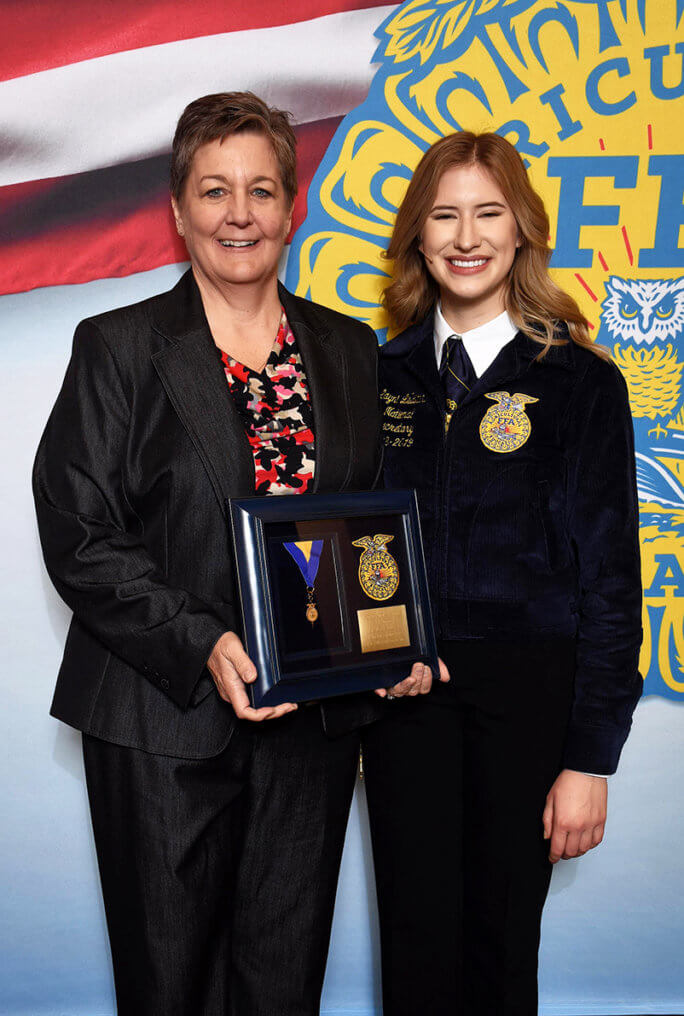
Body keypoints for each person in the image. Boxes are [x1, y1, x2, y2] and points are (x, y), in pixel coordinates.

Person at [32, 91, 436, 1016]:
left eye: (261, 190)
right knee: (169, 987)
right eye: (215, 191)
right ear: (178, 210)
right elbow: (78, 529)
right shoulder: (120, 347)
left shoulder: (346, 348)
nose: (239, 213)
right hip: (160, 721)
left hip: (312, 728)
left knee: (281, 983)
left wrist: (394, 635)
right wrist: (205, 642)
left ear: (292, 206)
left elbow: (371, 525)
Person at [361, 132, 643, 1015]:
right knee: (413, 947)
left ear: (523, 231)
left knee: (497, 950)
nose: (466, 235)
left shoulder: (579, 384)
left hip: (529, 704)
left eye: (489, 212)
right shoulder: (377, 375)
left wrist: (590, 760)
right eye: (443, 214)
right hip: (403, 698)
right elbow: (343, 549)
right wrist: (359, 673)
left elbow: (611, 585)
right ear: (417, 235)